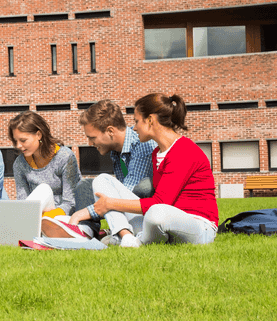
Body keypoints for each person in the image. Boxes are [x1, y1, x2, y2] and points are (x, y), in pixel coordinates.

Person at [90, 93, 218, 247]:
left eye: (137, 121)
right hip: (164, 222)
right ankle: (126, 236)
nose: (135, 127)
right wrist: (109, 203)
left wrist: (110, 203)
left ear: (150, 120)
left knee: (156, 213)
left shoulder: (183, 151)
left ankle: (136, 240)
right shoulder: (156, 153)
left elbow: (160, 202)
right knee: (102, 180)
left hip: (198, 226)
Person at [69, 100, 156, 238]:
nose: (90, 143)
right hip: (128, 207)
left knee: (142, 187)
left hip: (146, 212)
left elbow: (127, 193)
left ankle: (125, 233)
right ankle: (86, 230)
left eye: (92, 138)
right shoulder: (116, 152)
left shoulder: (142, 144)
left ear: (110, 131)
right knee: (85, 185)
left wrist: (81, 213)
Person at [8, 111, 81, 217]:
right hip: (34, 216)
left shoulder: (65, 157)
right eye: (16, 141)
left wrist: (47, 217)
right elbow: (23, 201)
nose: (18, 145)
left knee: (44, 189)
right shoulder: (19, 164)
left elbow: (71, 203)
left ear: (38, 135)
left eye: (23, 140)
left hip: (64, 216)